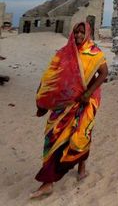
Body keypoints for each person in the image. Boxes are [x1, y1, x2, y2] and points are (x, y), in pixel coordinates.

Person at [30, 21, 108, 199]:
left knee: (81, 136)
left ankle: (81, 166)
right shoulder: (63, 53)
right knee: (52, 137)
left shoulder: (95, 53)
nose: (79, 35)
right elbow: (50, 77)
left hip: (85, 101)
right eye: (76, 32)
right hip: (63, 103)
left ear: (87, 33)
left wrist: (88, 93)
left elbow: (104, 73)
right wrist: (42, 100)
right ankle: (48, 182)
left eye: (82, 32)